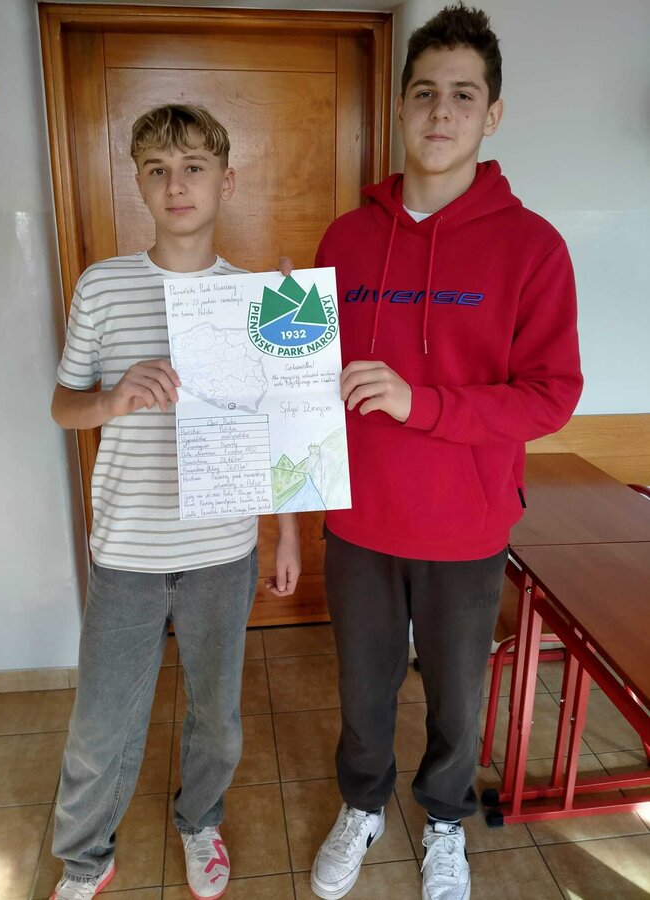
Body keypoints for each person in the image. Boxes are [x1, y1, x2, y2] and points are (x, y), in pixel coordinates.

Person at [309, 5, 582, 899]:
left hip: (464, 525)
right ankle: (361, 804)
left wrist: (417, 401)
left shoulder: (532, 247)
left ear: (491, 114)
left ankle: (442, 822)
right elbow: (305, 374)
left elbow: (551, 395)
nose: (440, 111)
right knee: (363, 689)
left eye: (463, 95)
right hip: (357, 518)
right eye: (424, 91)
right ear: (399, 105)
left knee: (457, 700)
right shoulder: (346, 239)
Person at [49, 103, 300, 900]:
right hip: (127, 548)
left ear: (226, 181)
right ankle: (85, 858)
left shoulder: (255, 298)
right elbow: (63, 406)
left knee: (216, 715)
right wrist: (111, 399)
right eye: (157, 169)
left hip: (222, 550)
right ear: (138, 184)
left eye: (193, 167)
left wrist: (289, 535)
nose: (176, 184)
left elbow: (280, 427)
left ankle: (200, 822)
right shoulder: (103, 286)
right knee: (100, 724)